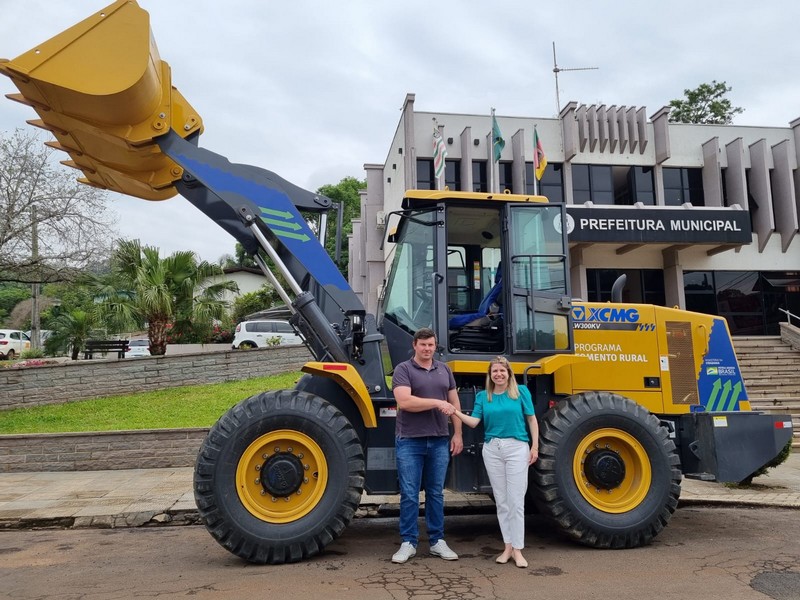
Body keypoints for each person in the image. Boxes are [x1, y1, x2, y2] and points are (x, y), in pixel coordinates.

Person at [440, 356, 538, 568]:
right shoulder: (484, 396)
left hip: (517, 448)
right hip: (492, 449)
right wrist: (454, 410)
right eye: (495, 371)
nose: (499, 374)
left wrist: (535, 447)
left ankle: (518, 551)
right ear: (490, 375)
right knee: (502, 501)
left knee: (516, 501)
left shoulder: (521, 392)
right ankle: (507, 547)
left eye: (502, 371)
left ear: (508, 373)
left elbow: (532, 419)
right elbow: (474, 422)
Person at [391, 327, 464, 564]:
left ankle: (437, 541)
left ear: (435, 346)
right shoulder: (403, 369)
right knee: (410, 494)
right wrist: (436, 402)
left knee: (435, 494)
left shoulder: (444, 370)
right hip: (410, 440)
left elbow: (454, 404)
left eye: (431, 345)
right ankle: (408, 542)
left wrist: (458, 434)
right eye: (423, 345)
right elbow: (404, 401)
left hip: (439, 440)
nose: (427, 349)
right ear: (414, 345)